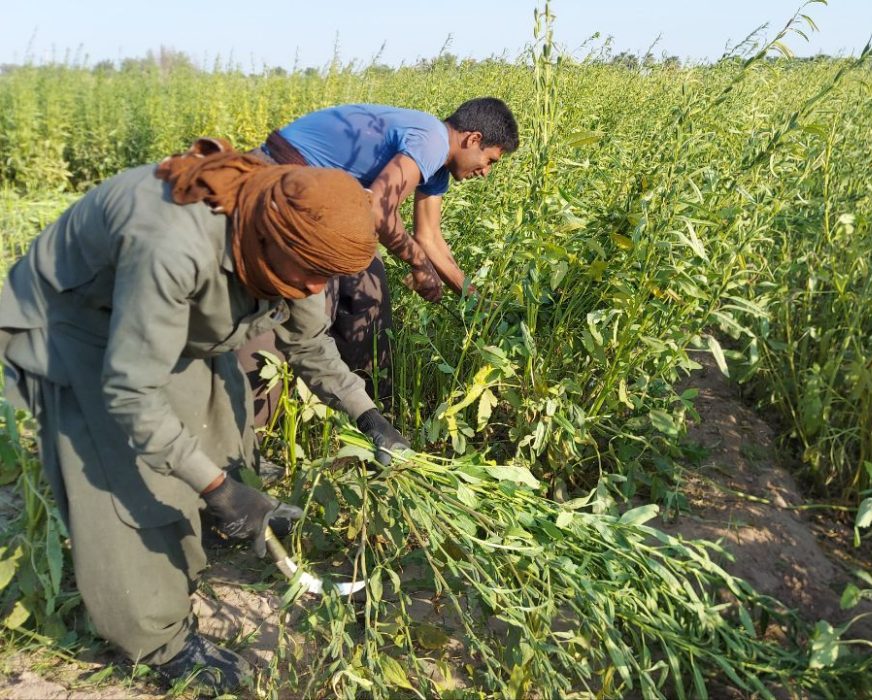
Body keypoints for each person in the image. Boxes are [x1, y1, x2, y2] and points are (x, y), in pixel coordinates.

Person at [0, 138, 410, 695]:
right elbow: (132, 394)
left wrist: (370, 418)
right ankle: (160, 641)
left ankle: (224, 520)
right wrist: (218, 487)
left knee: (218, 412)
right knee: (126, 476)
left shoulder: (298, 243)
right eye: (311, 275)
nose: (315, 289)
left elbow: (309, 342)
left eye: (325, 279)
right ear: (272, 241)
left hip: (163, 318)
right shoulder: (173, 245)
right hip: (79, 324)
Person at [236, 97, 519, 424]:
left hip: (322, 204)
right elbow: (379, 211)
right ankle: (247, 438)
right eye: (490, 160)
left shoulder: (438, 168)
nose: (485, 172)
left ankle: (367, 418)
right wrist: (418, 264)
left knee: (369, 291)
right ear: (473, 139)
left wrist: (480, 305)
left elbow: (430, 240)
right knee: (290, 308)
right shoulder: (432, 138)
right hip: (278, 181)